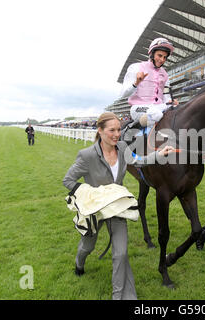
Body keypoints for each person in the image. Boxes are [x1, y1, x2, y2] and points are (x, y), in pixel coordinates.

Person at [63, 112, 174, 300]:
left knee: (121, 254)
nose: (116, 134)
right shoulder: (87, 155)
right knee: (87, 246)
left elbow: (137, 161)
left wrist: (158, 154)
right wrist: (93, 194)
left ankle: (120, 296)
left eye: (119, 130)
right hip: (94, 208)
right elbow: (68, 180)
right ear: (100, 131)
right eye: (111, 130)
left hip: (117, 207)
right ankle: (79, 263)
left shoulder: (122, 147)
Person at [120, 38, 178, 128]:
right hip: (138, 108)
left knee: (180, 111)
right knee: (157, 114)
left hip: (158, 107)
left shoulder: (165, 75)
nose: (162, 59)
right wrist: (136, 83)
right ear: (151, 53)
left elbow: (166, 97)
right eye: (159, 55)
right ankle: (137, 135)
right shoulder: (135, 68)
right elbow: (124, 94)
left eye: (165, 57)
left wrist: (171, 103)